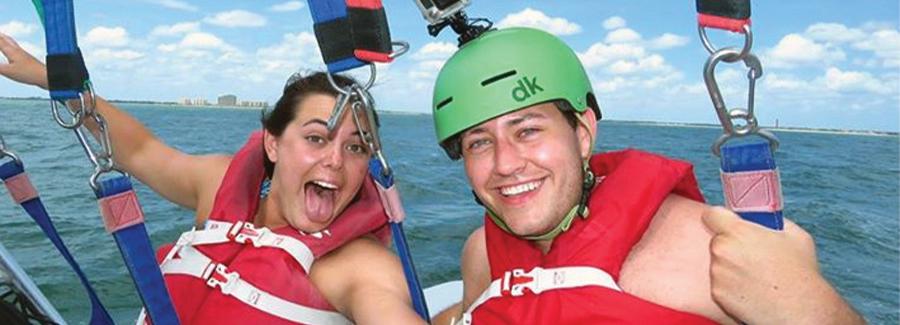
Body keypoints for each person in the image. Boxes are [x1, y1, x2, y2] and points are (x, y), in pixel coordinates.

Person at [429, 27, 864, 324]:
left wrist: (813, 308)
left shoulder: (711, 254)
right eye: (479, 143)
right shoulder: (481, 254)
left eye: (528, 130)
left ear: (582, 133)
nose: (505, 163)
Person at [0, 32, 425, 325]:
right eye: (316, 137)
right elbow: (144, 151)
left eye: (356, 147)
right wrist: (49, 77)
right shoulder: (219, 183)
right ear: (272, 145)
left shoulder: (358, 266)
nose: (335, 160)